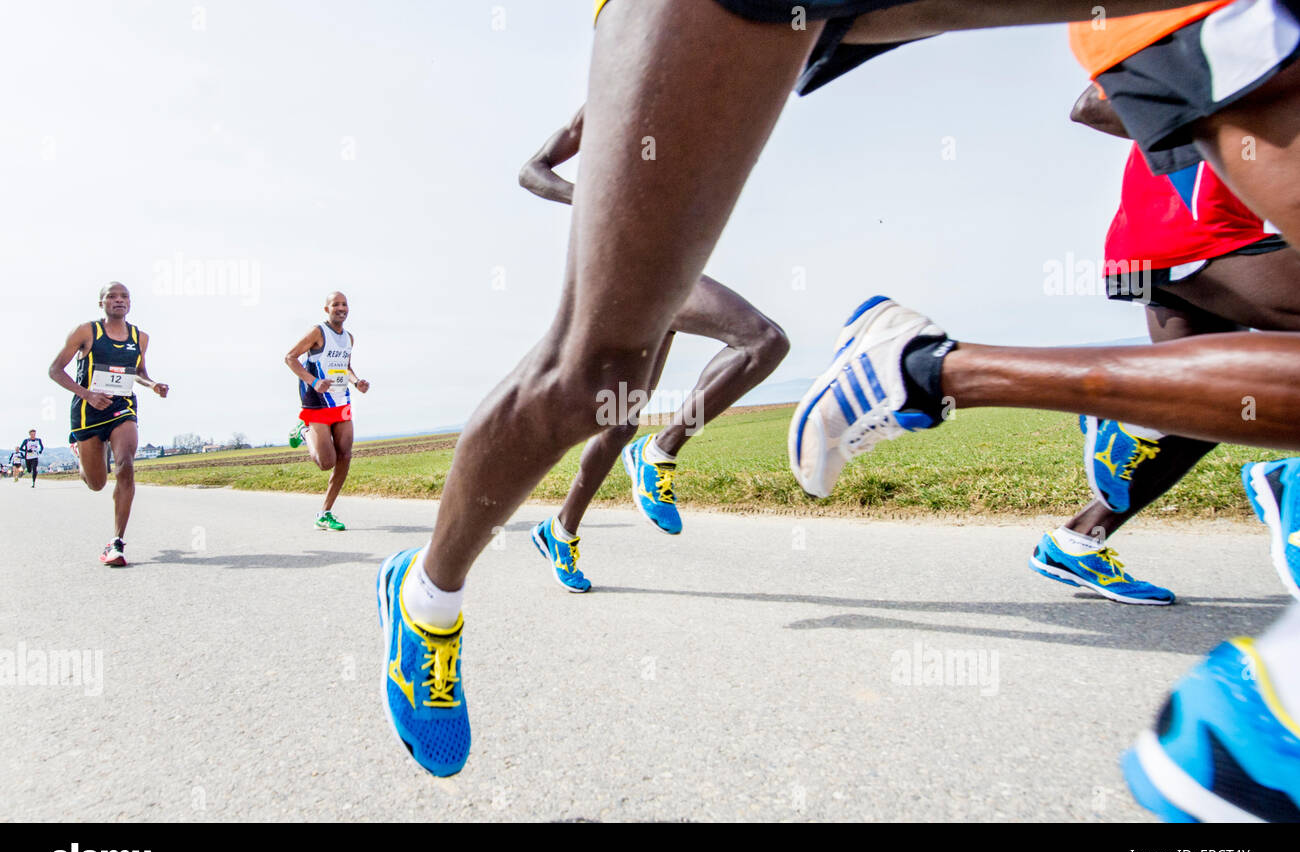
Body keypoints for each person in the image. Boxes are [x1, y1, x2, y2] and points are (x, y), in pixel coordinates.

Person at [376, 0, 1300, 782]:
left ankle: (695, 448)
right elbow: (534, 170)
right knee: (599, 372)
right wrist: (605, 206)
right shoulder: (612, 94)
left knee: (748, 342)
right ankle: (427, 596)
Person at [1031, 85, 1300, 606]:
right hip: (1198, 232)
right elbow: (1091, 105)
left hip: (1169, 240)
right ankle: (1136, 415)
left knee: (1212, 408)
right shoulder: (1239, 23)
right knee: (1217, 399)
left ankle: (1079, 540)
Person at [519, 105, 789, 592]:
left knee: (620, 421)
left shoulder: (692, 99)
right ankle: (660, 453)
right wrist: (593, 203)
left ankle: (560, 531)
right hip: (630, 270)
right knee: (762, 341)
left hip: (664, 265)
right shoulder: (607, 100)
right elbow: (531, 172)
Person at [48, 282, 169, 566]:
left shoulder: (140, 337)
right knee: (96, 483)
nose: (118, 300)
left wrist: (152, 385)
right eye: (111, 297)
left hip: (121, 408)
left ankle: (116, 543)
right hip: (87, 411)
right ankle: (82, 454)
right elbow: (55, 370)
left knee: (125, 464)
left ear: (130, 302)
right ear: (101, 303)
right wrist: (87, 394)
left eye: (124, 296)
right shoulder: (86, 332)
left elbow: (138, 372)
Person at [284, 291, 370, 531]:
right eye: (336, 304)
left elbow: (346, 366)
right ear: (327, 309)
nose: (341, 308)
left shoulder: (349, 338)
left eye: (344, 304)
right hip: (318, 401)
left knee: (346, 455)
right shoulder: (318, 332)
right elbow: (290, 357)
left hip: (341, 400)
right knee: (326, 463)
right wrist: (313, 381)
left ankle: (325, 513)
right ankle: (304, 431)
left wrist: (356, 381)